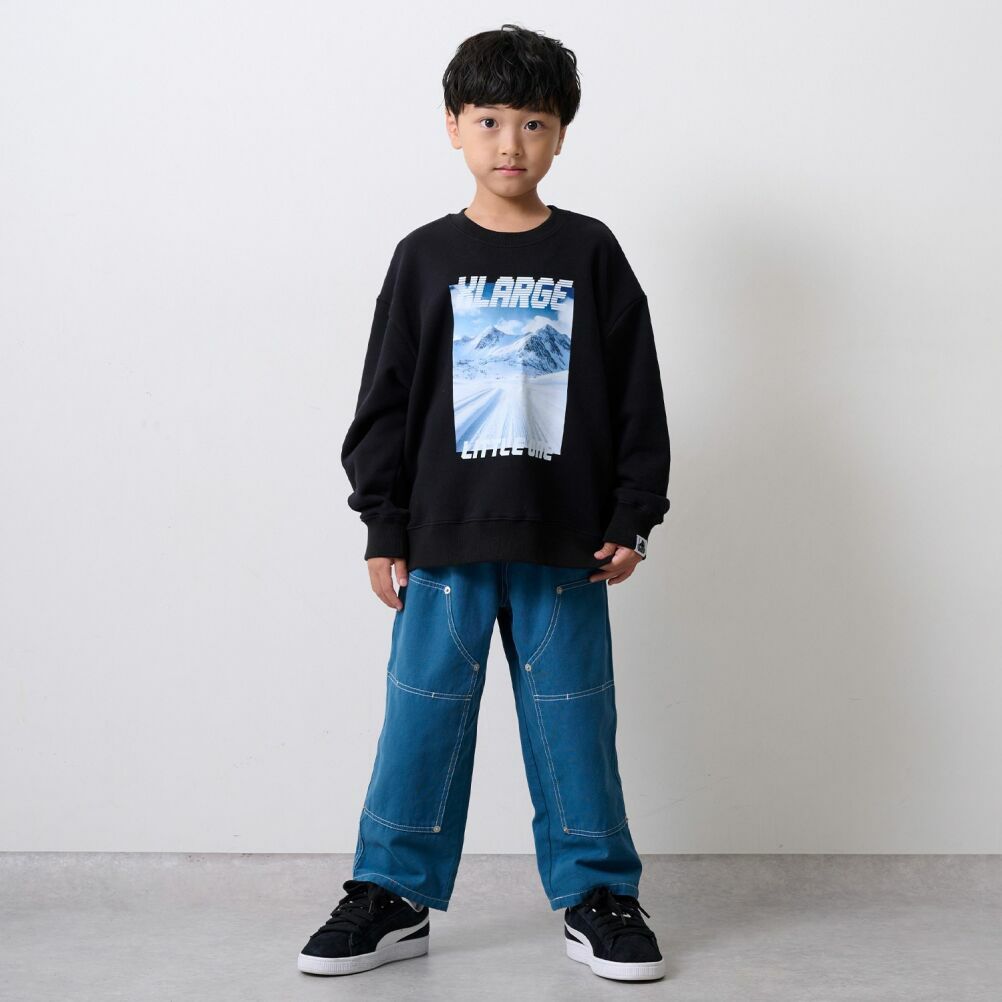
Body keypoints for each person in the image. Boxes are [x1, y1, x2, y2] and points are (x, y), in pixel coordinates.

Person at [298, 23, 671, 983]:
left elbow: (637, 392)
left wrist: (633, 512)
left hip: (566, 543)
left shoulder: (591, 252)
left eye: (534, 123)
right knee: (420, 721)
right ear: (454, 127)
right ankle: (391, 893)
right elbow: (385, 398)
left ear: (561, 135)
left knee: (574, 725)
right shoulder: (424, 257)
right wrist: (383, 523)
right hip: (441, 542)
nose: (512, 143)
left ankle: (599, 893)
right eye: (491, 120)